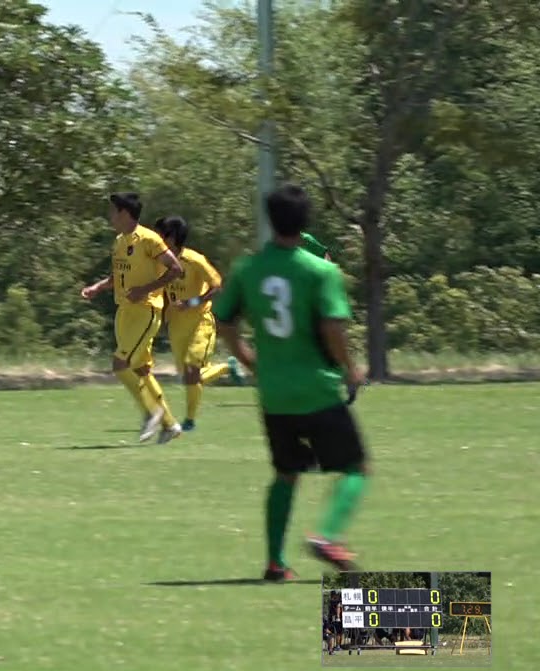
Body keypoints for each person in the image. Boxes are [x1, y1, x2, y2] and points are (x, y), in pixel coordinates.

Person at [212, 184, 368, 581]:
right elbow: (333, 327)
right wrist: (349, 367)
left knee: (286, 473)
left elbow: (223, 318)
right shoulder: (321, 271)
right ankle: (328, 535)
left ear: (270, 219)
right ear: (306, 221)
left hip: (274, 392)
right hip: (316, 388)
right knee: (355, 467)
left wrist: (247, 358)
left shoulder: (249, 268)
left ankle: (275, 563)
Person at [82, 193, 184, 444]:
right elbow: (119, 276)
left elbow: (176, 270)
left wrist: (145, 290)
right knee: (139, 368)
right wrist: (98, 287)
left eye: (113, 211)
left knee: (120, 364)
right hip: (124, 312)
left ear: (125, 213)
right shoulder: (119, 242)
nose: (110, 216)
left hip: (146, 311)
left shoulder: (149, 239)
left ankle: (151, 412)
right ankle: (170, 425)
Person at [157, 216, 240, 431]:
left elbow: (217, 285)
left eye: (161, 234)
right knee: (187, 377)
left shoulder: (194, 260)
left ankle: (190, 420)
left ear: (172, 238)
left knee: (193, 372)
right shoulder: (159, 261)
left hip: (200, 323)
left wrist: (193, 301)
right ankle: (225, 368)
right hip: (176, 326)